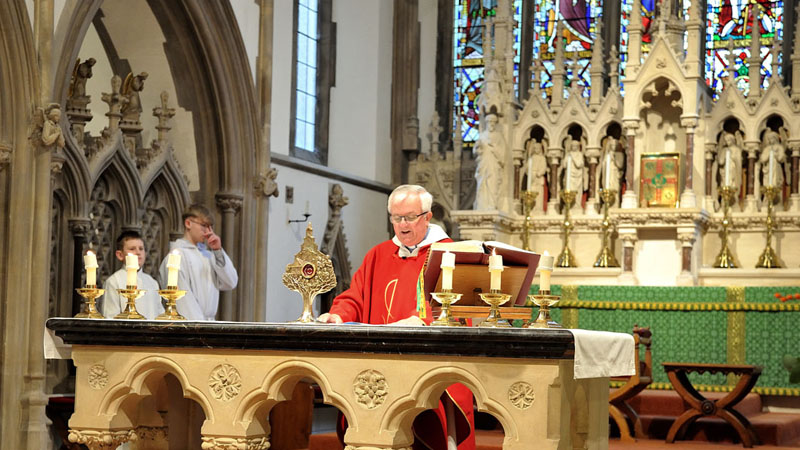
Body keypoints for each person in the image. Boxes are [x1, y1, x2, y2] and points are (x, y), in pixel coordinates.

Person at [318, 184, 475, 450]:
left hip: (427, 368)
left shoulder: (451, 254)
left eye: (410, 217)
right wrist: (337, 316)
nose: (402, 225)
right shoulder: (378, 254)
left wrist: (421, 323)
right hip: (379, 369)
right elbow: (354, 297)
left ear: (427, 216)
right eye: (396, 218)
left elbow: (461, 312)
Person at [159, 204, 238, 321]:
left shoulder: (208, 255)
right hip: (191, 324)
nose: (208, 232)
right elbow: (183, 300)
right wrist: (199, 327)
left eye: (211, 227)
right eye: (204, 226)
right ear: (188, 223)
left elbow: (230, 282)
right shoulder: (177, 256)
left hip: (209, 323)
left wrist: (217, 250)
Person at [102, 231, 164, 320]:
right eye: (132, 249)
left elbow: (159, 315)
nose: (138, 252)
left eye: (141, 248)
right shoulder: (114, 282)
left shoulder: (152, 282)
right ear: (120, 255)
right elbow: (110, 316)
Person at [474, 113, 505, 210]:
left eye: (493, 122)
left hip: (494, 165)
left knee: (492, 184)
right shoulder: (482, 136)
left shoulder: (499, 136)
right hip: (483, 164)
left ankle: (492, 204)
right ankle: (482, 204)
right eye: (489, 122)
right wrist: (478, 148)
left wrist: (494, 148)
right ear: (486, 123)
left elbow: (502, 155)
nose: (491, 124)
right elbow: (475, 151)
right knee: (482, 184)